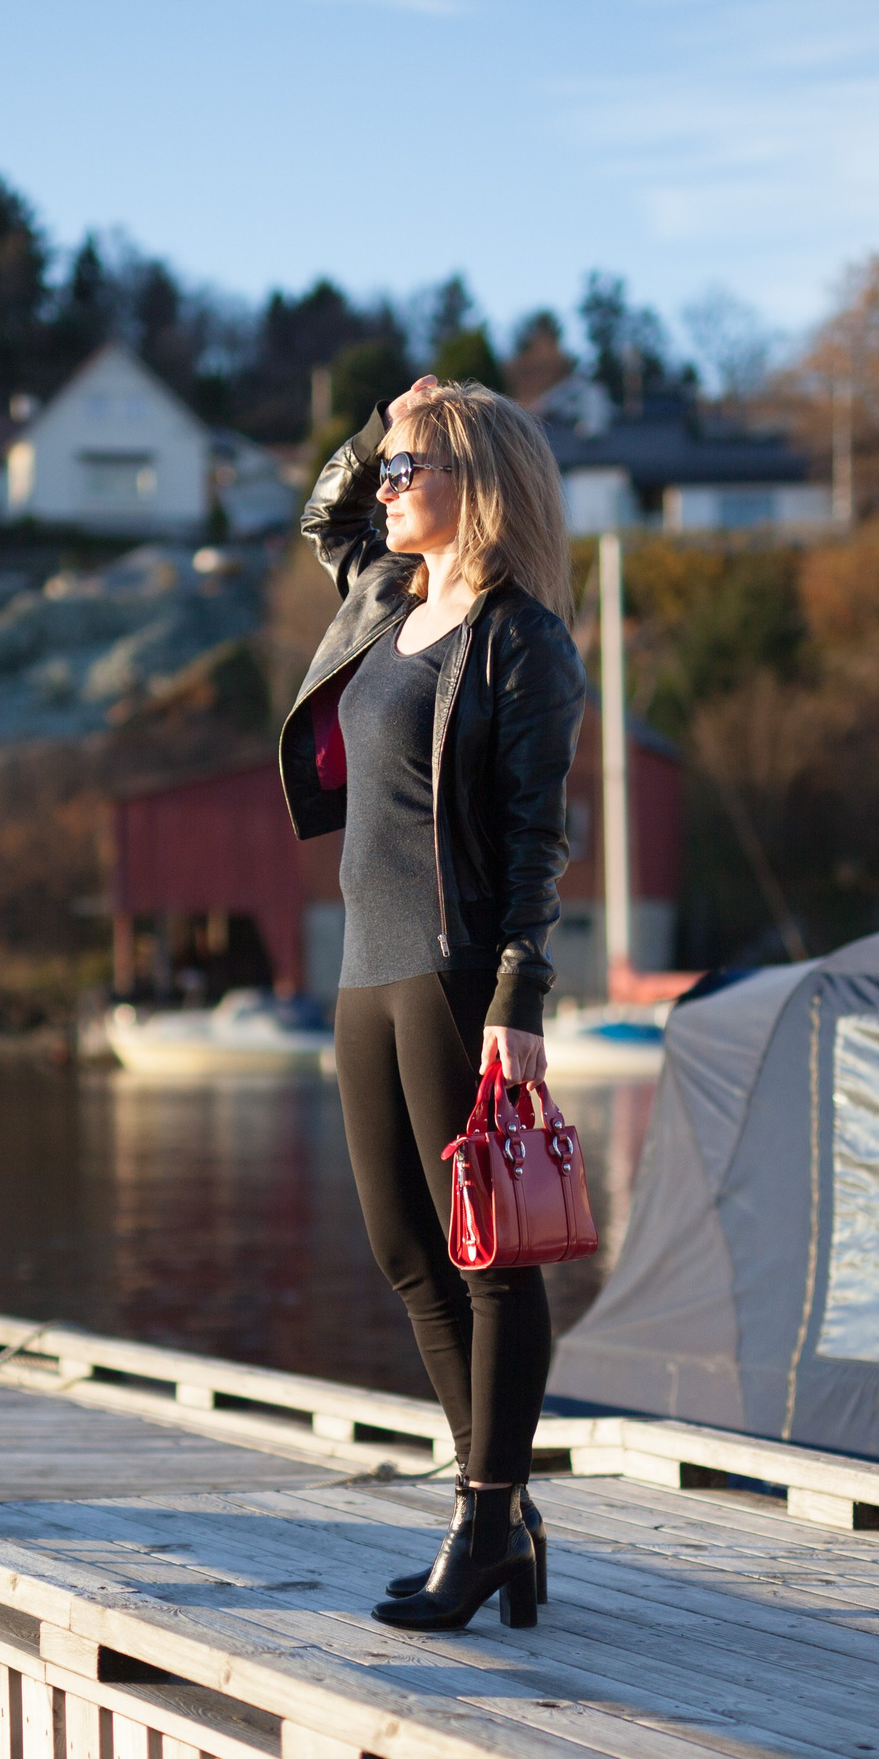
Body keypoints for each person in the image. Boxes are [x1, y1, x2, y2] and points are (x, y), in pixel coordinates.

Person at [279, 375, 585, 1631]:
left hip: (459, 971)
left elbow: (533, 842)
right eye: (391, 472)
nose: (388, 489)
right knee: (410, 1255)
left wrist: (521, 991)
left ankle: (483, 1518)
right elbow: (321, 515)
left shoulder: (523, 641)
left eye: (412, 470)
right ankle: (498, 1516)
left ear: (480, 483)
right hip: (366, 968)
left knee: (492, 1257)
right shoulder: (384, 593)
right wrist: (379, 427)